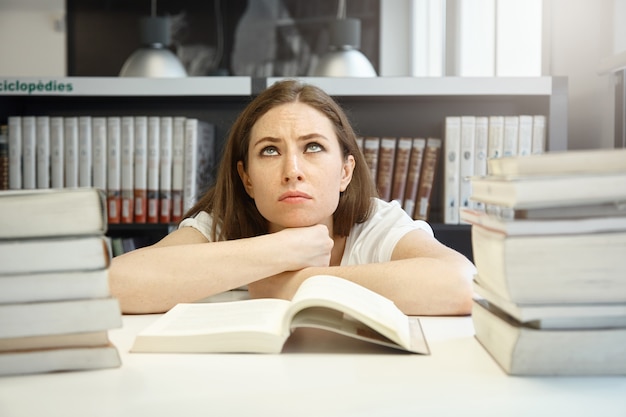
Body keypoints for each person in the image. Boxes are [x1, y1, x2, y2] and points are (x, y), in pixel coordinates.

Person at [109, 80, 475, 315]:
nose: (292, 170)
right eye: (270, 151)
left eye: (313, 147)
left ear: (345, 171)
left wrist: (300, 283)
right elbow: (113, 285)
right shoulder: (220, 225)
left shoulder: (375, 223)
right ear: (246, 179)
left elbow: (461, 284)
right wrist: (282, 250)